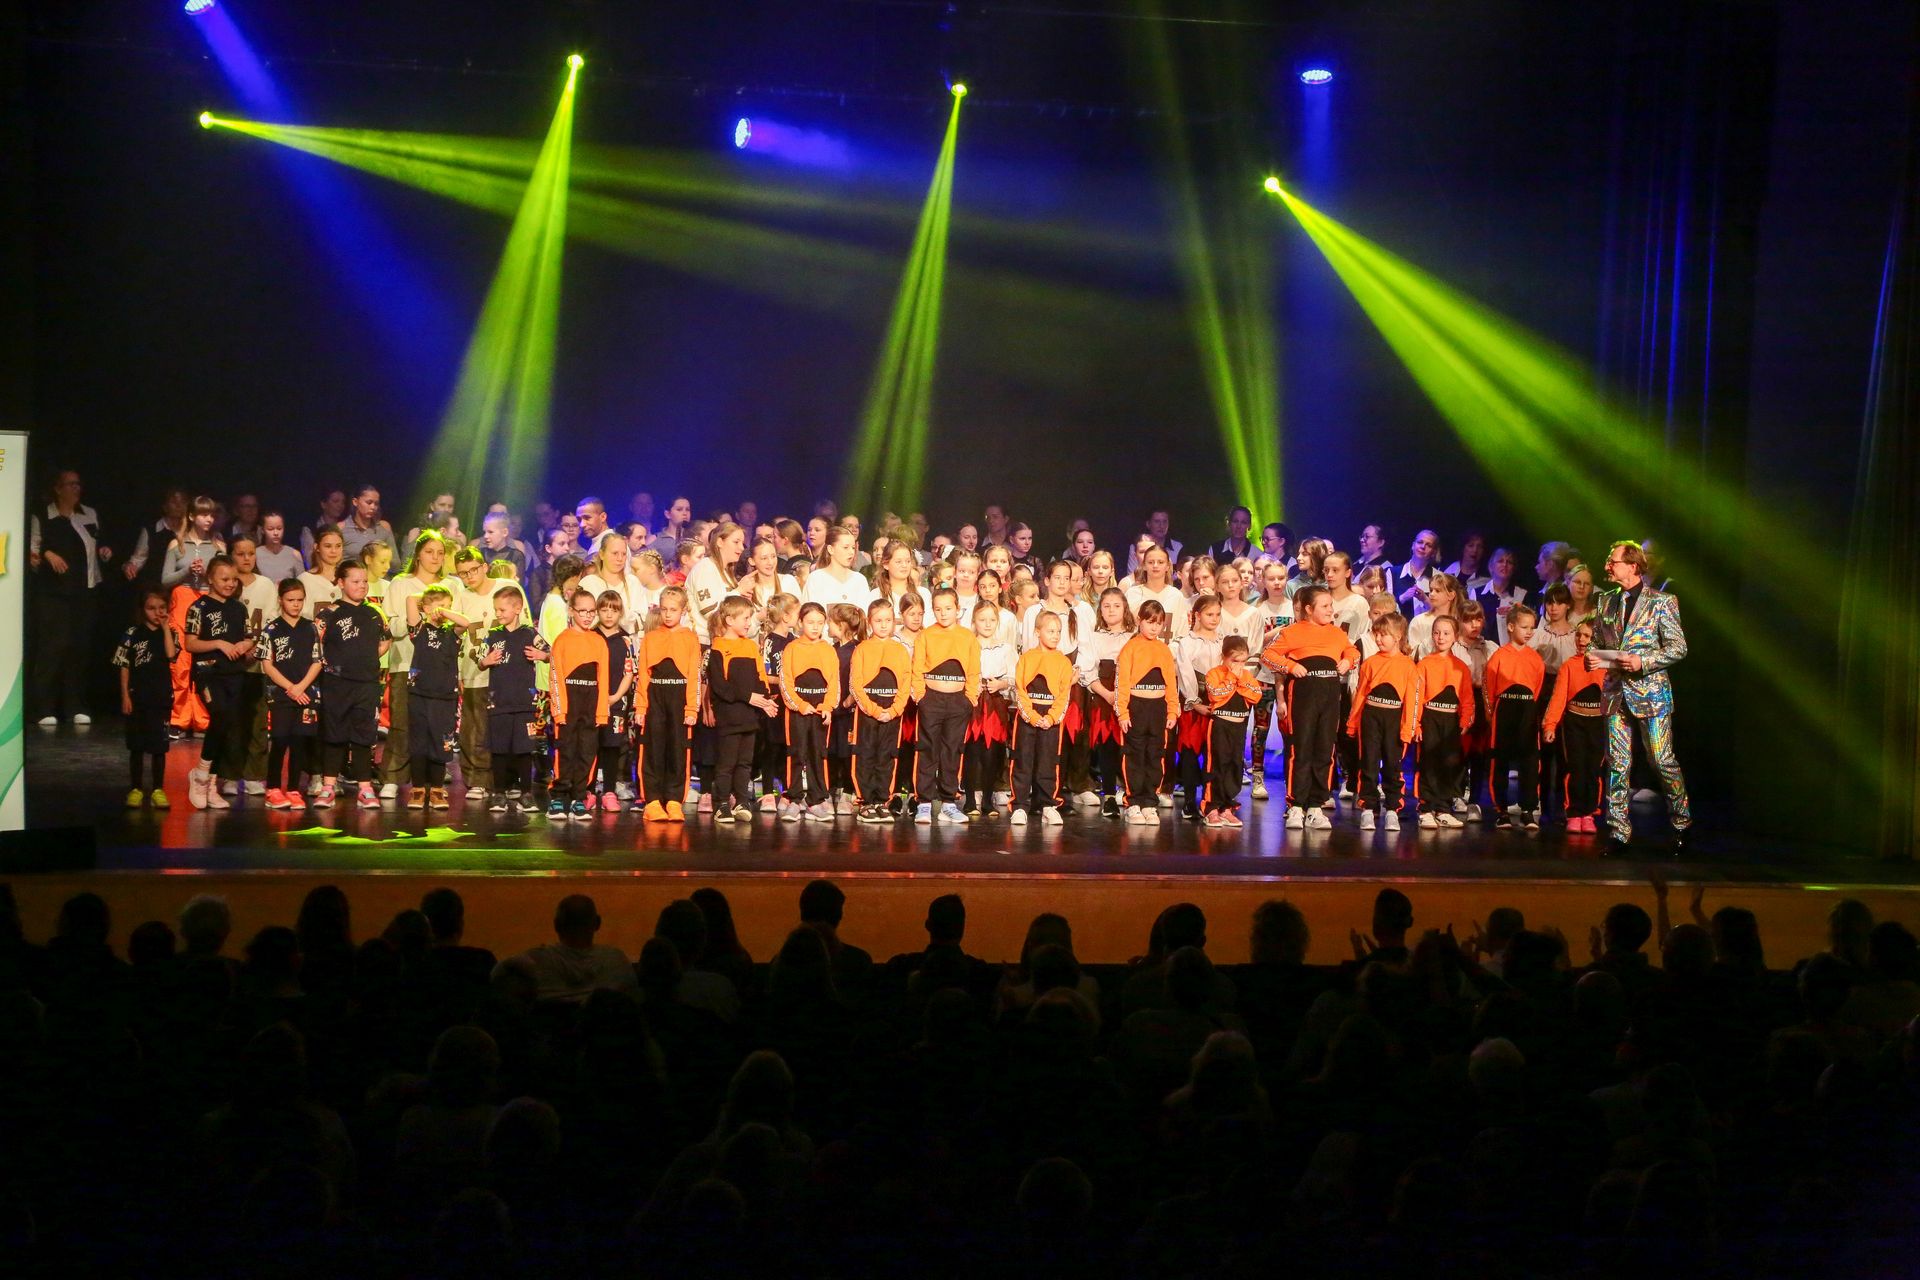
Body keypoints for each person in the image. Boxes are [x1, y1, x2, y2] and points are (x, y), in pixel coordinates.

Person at [1591, 540, 1691, 848]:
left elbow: (1678, 647)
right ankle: (1619, 830)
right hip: (1616, 692)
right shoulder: (1605, 602)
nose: (1608, 565)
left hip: (1651, 693)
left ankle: (1681, 820)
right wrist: (1594, 656)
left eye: (1614, 561)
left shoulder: (1662, 601)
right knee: (1618, 762)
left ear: (1633, 566)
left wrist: (1642, 661)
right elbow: (1596, 641)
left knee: (1661, 759)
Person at [1264, 584, 1359, 831]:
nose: (1331, 610)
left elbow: (1352, 650)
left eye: (1331, 605)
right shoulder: (1292, 632)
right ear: (1308, 609)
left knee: (1325, 749)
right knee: (1301, 747)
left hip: (1329, 695)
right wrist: (1289, 666)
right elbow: (1268, 655)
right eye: (1325, 606)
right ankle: (1296, 805)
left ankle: (1316, 805)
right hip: (1303, 695)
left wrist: (1348, 660)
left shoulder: (1336, 633)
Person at [182, 555, 256, 810]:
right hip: (208, 673)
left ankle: (211, 782)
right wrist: (218, 643)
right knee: (220, 715)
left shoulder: (239, 608)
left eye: (234, 580)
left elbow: (248, 638)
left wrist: (246, 645)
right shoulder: (198, 608)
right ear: (210, 579)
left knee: (226, 725)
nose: (229, 584)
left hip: (234, 673)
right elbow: (190, 643)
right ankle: (200, 774)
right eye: (224, 579)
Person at [315, 560, 390, 810]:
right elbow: (316, 645)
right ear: (341, 583)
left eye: (365, 581)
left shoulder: (374, 612)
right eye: (355, 581)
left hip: (366, 684)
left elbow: (385, 641)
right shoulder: (330, 613)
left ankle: (365, 788)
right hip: (336, 684)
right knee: (335, 735)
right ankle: (327, 786)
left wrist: (367, 659)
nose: (362, 586)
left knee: (363, 737)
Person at [384, 533, 451, 798]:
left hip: (441, 668)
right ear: (418, 554)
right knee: (402, 721)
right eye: (429, 552)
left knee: (436, 725)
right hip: (406, 662)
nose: (435, 558)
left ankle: (432, 776)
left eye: (440, 553)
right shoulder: (401, 584)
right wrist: (417, 618)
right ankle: (393, 775)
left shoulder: (451, 585)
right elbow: (391, 625)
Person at [911, 587, 981, 825]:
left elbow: (973, 669)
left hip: (958, 702)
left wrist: (969, 698)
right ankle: (924, 802)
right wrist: (921, 696)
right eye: (938, 609)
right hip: (931, 700)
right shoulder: (926, 635)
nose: (943, 613)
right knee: (928, 750)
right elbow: (917, 667)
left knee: (952, 750)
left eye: (948, 608)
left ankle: (949, 802)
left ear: (958, 610)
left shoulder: (967, 637)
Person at [708, 597, 778, 823]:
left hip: (749, 716)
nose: (749, 622)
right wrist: (749, 697)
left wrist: (766, 702)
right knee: (727, 762)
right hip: (730, 716)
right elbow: (720, 685)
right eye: (745, 618)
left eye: (749, 618)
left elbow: (760, 678)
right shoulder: (718, 647)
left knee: (745, 762)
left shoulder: (750, 646)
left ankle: (741, 800)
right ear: (729, 620)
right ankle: (720, 803)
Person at [477, 585, 546, 815]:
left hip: (524, 704)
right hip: (499, 703)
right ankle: (499, 792)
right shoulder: (493, 635)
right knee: (499, 749)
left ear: (517, 608)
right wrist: (486, 661)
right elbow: (480, 660)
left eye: (502, 609)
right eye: (496, 609)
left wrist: (541, 655)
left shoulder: (529, 634)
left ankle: (526, 793)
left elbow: (551, 652)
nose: (498, 614)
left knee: (524, 750)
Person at [1346, 613, 1418, 832]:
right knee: (1368, 763)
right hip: (1371, 717)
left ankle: (1393, 808)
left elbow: (1412, 701)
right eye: (1376, 634)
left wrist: (1408, 729)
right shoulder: (1370, 663)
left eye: (1383, 635)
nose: (1378, 639)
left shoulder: (1407, 666)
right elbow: (1360, 695)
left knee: (1393, 766)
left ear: (1398, 636)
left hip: (1394, 720)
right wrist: (1353, 722)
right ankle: (1368, 807)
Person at [636, 587, 701, 822]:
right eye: (664, 609)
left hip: (679, 697)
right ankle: (652, 800)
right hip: (655, 695)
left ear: (683, 611)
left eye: (673, 610)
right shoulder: (652, 637)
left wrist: (692, 707)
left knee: (678, 748)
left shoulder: (689, 638)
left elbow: (694, 675)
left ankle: (674, 800)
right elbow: (643, 673)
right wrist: (641, 707)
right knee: (652, 748)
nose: (668, 614)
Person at [258, 578, 322, 810]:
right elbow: (268, 664)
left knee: (300, 742)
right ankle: (273, 788)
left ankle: (294, 789)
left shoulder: (310, 627)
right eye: (290, 600)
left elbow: (317, 661)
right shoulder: (271, 629)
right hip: (282, 695)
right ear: (281, 600)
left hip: (306, 694)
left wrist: (302, 687)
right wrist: (291, 688)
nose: (295, 604)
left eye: (299, 600)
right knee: (280, 739)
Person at [547, 589, 610, 822]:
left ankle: (578, 797)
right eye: (582, 611)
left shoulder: (598, 641)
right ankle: (559, 795)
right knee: (566, 750)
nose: (587, 616)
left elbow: (603, 678)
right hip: (568, 706)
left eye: (591, 611)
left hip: (591, 706)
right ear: (571, 611)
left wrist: (601, 711)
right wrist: (559, 709)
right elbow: (555, 676)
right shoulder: (563, 640)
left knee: (586, 751)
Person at [405, 583, 469, 811]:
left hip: (445, 696)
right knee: (419, 742)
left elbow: (466, 623)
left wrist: (443, 610)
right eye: (440, 605)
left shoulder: (452, 631)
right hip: (419, 693)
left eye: (448, 606)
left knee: (441, 743)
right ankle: (418, 788)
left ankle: (437, 789)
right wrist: (427, 601)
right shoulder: (419, 629)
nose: (444, 610)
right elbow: (411, 601)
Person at [1117, 600, 1179, 824]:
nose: (1154, 627)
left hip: (1158, 709)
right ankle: (1133, 801)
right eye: (1150, 622)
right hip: (1136, 706)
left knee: (1155, 754)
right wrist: (1122, 712)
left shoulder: (1164, 650)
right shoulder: (1131, 647)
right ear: (1139, 621)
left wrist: (1172, 711)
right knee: (1134, 755)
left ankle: (1150, 802)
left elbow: (1171, 683)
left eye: (1159, 623)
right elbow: (1122, 682)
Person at [114, 587, 176, 808]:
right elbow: (124, 665)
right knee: (137, 746)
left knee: (159, 747)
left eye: (161, 607)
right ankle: (136, 788)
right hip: (137, 696)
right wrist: (125, 696)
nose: (157, 612)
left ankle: (158, 789)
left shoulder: (170, 633)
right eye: (151, 608)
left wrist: (166, 627)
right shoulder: (132, 633)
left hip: (160, 697)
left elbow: (171, 655)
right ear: (142, 610)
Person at [1010, 610, 1073, 826]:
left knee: (1049, 762)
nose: (1055, 635)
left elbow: (1064, 695)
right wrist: (1033, 717)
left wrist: (1052, 717)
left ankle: (1048, 804)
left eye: (1058, 631)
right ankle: (1019, 805)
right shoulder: (1027, 659)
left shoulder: (1063, 662)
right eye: (1050, 631)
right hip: (1029, 719)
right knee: (1023, 760)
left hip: (1051, 719)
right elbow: (1020, 691)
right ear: (1038, 632)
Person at [1543, 618, 1607, 833]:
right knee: (1576, 767)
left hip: (1597, 723)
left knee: (1593, 770)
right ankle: (1574, 813)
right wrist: (1550, 725)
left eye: (1587, 636)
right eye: (1579, 635)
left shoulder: (1606, 668)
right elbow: (1559, 697)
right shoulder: (1569, 665)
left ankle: (1589, 813)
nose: (1581, 639)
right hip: (1574, 723)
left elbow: (1613, 699)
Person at [850, 599, 910, 823]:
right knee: (865, 754)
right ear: (869, 622)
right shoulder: (863, 649)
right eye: (878, 620)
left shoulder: (900, 650)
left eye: (887, 620)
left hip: (892, 712)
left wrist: (894, 710)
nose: (883, 625)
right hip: (868, 712)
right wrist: (875, 710)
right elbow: (855, 686)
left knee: (887, 756)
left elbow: (906, 682)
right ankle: (865, 802)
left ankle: (881, 800)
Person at [1485, 603, 1545, 830]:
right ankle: (1501, 810)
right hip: (1504, 710)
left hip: (1527, 710)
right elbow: (1489, 688)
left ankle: (1528, 809)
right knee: (1500, 759)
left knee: (1529, 760)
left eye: (1532, 627)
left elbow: (1537, 688)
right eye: (1524, 627)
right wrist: (1492, 715)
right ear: (1510, 627)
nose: (1529, 632)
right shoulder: (1499, 656)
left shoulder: (1535, 658)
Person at [1413, 614, 1473, 829]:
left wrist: (1465, 719)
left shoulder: (1461, 667)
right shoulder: (1425, 664)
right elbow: (1417, 696)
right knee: (1429, 763)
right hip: (1430, 718)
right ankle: (1426, 808)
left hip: (1451, 720)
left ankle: (1443, 809)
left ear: (1455, 637)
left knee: (1449, 764)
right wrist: (1417, 723)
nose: (1441, 637)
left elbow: (1466, 697)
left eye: (1446, 633)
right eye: (1437, 632)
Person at [780, 602, 838, 821]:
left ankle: (816, 800)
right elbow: (786, 683)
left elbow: (834, 683)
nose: (815, 627)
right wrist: (800, 705)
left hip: (820, 710)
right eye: (810, 622)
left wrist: (827, 706)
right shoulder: (792, 648)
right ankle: (794, 799)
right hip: (798, 710)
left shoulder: (827, 649)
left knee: (818, 754)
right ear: (801, 622)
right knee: (796, 753)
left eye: (820, 623)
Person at [1077, 588, 1132, 818]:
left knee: (1130, 747)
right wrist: (1107, 694)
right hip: (1104, 696)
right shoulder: (1095, 636)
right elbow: (1087, 671)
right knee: (1108, 745)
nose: (1111, 610)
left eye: (1116, 605)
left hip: (1130, 698)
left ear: (1125, 608)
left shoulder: (1134, 636)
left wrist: (1123, 697)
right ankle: (1109, 795)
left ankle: (1132, 796)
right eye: (1106, 605)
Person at [962, 600, 1015, 817]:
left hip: (995, 702)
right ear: (974, 621)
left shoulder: (1006, 648)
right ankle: (969, 799)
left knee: (992, 751)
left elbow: (1015, 677)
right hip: (974, 702)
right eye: (982, 620)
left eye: (992, 620)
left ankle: (988, 799)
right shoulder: (968, 645)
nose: (987, 624)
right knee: (972, 750)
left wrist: (1001, 684)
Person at [1174, 594, 1224, 821]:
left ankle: (1211, 800)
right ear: (1197, 615)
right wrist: (1195, 702)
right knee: (1190, 751)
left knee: (1214, 752)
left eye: (1217, 614)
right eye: (1209, 614)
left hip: (1218, 701)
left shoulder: (1223, 641)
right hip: (1194, 702)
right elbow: (1185, 673)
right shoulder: (1188, 642)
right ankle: (1188, 801)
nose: (1214, 619)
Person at [1202, 635, 1261, 828]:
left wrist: (1240, 681)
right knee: (1217, 764)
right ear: (1224, 657)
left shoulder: (1247, 676)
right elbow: (1216, 694)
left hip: (1239, 726)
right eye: (1234, 661)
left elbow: (1256, 695)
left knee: (1234, 765)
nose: (1239, 665)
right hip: (1220, 724)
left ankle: (1227, 807)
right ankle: (1211, 808)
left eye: (1243, 661)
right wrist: (1231, 678)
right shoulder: (1215, 673)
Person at [804, 525, 875, 611]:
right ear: (830, 549)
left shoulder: (859, 580)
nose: (851, 552)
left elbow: (865, 615)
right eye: (845, 547)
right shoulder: (816, 579)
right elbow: (810, 613)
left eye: (853, 548)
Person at [339, 484, 396, 563]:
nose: (373, 507)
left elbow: (395, 562)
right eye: (369, 502)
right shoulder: (341, 528)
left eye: (376, 504)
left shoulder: (383, 527)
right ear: (355, 502)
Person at [1126, 509, 1183, 574]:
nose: (1161, 526)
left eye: (1165, 522)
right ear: (1148, 524)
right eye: (1157, 521)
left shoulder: (1178, 547)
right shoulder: (1137, 546)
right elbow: (1132, 573)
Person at [476, 511, 527, 580]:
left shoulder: (516, 556)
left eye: (490, 532)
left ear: (504, 532)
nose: (485, 536)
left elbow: (517, 586)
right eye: (485, 532)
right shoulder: (479, 554)